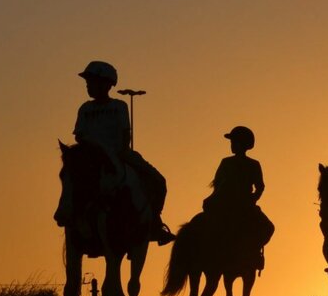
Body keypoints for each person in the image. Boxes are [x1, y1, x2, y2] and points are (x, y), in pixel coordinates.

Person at [58, 60, 174, 245]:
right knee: (70, 177)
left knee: (158, 180)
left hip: (119, 153)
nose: (88, 85)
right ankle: (68, 213)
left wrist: (113, 152)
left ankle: (154, 223)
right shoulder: (85, 109)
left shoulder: (119, 106)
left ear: (106, 84)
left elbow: (124, 135)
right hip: (91, 157)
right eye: (88, 82)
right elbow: (80, 136)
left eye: (92, 81)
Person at [202, 126, 274, 269]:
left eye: (234, 142)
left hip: (233, 203)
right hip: (237, 203)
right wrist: (253, 198)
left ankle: (253, 253)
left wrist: (252, 199)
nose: (232, 145)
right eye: (232, 142)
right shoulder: (233, 162)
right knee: (268, 228)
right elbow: (259, 187)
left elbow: (259, 186)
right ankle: (254, 254)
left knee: (268, 227)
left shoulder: (247, 164)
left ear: (243, 144)